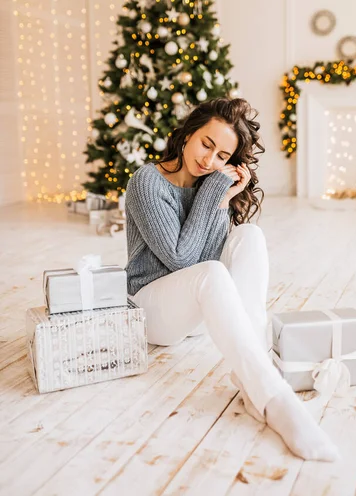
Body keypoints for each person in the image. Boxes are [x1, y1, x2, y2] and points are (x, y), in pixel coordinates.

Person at [125, 97, 339, 462]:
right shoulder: (147, 182)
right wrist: (213, 194)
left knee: (249, 236)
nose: (210, 161)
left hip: (194, 316)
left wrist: (222, 202)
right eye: (207, 144)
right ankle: (276, 401)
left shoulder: (210, 184)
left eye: (223, 156)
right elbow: (180, 261)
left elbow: (205, 259)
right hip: (151, 313)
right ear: (189, 134)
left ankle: (250, 377)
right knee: (209, 271)